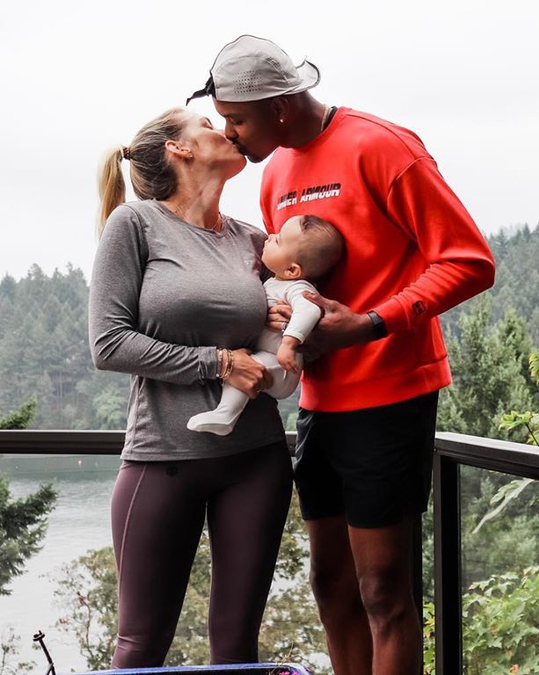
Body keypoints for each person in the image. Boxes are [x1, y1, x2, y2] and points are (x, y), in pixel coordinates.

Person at [188, 35, 496, 675]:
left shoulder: (382, 147)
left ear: (279, 106)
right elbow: (288, 278)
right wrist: (277, 313)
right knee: (331, 582)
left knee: (384, 590)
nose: (229, 133)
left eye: (237, 119)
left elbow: (470, 262)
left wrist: (372, 323)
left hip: (391, 394)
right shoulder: (275, 172)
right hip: (319, 403)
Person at [89, 107, 293, 668]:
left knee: (237, 646)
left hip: (257, 459)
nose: (224, 130)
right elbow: (109, 344)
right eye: (206, 124)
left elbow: (285, 321)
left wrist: (284, 315)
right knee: (140, 645)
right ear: (178, 150)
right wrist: (217, 363)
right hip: (164, 459)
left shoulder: (252, 240)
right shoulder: (135, 224)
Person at [188, 213, 345, 435]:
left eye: (278, 240)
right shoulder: (275, 282)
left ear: (292, 270)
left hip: (281, 365)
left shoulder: (298, 288)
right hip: (270, 356)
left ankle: (225, 415)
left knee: (244, 367)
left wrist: (289, 344)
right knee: (245, 365)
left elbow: (309, 310)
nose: (269, 236)